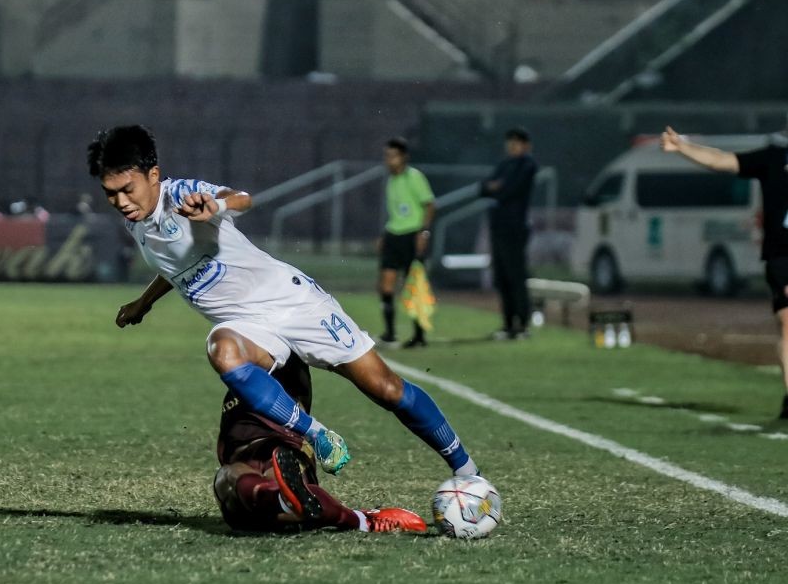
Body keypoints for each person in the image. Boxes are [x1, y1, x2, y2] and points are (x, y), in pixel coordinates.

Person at [87, 125, 480, 479]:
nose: (120, 201)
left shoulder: (180, 196)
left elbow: (240, 197)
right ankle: (317, 434)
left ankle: (467, 471)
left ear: (153, 175)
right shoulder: (135, 221)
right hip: (248, 326)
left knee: (387, 389)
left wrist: (217, 206)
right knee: (222, 350)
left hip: (292, 303)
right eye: (111, 193)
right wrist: (144, 302)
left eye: (127, 189)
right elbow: (179, 266)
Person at [214, 352, 427, 533]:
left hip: (265, 439)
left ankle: (284, 500)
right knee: (284, 506)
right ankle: (354, 518)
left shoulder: (278, 334)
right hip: (278, 440)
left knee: (230, 483)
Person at [662, 126, 788, 419]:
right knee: (786, 322)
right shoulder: (773, 158)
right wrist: (683, 146)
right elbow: (723, 161)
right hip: (782, 254)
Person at [480, 127, 537, 340]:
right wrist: (495, 187)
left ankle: (522, 324)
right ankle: (507, 324)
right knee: (502, 276)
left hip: (515, 228)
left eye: (516, 143)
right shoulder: (504, 164)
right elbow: (483, 188)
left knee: (516, 276)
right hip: (498, 227)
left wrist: (497, 187)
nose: (511, 147)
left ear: (526, 146)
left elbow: (509, 190)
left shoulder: (527, 165)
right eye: (510, 143)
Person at [378, 137, 434, 348]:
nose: (388, 160)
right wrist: (385, 235)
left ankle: (419, 336)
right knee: (386, 284)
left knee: (414, 285)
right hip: (394, 235)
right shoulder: (391, 181)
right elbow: (396, 214)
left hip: (412, 235)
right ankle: (390, 333)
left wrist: (424, 233)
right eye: (386, 156)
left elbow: (429, 205)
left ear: (403, 157)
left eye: (392, 156)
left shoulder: (414, 177)